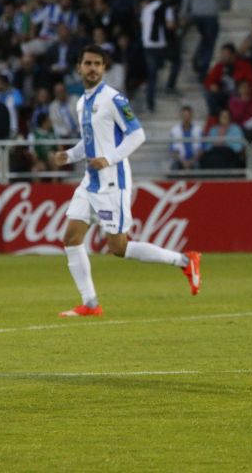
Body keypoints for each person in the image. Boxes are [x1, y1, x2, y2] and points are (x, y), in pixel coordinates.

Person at [50, 45, 202, 318]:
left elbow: (137, 135)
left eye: (98, 63)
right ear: (79, 68)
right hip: (90, 182)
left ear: (104, 68)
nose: (93, 68)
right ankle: (91, 303)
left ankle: (184, 260)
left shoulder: (113, 99)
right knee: (71, 237)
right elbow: (89, 143)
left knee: (118, 248)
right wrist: (69, 155)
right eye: (88, 63)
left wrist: (109, 158)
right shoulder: (82, 102)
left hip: (113, 183)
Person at [170, 105, 202, 171]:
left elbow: (201, 150)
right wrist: (183, 162)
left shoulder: (198, 130)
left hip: (194, 159)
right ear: (181, 116)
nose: (186, 117)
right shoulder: (174, 130)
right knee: (174, 166)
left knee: (197, 166)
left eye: (188, 115)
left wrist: (192, 161)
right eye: (184, 115)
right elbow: (173, 151)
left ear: (191, 116)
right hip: (180, 160)